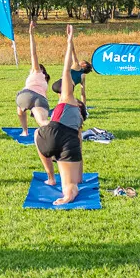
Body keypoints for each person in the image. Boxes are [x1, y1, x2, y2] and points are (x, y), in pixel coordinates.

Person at [35, 25, 87, 205]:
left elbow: (66, 70)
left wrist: (69, 42)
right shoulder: (79, 123)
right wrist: (78, 178)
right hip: (68, 143)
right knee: (71, 185)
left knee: (37, 131)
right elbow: (78, 150)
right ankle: (68, 195)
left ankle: (50, 176)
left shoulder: (67, 99)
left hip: (49, 135)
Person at [15, 22, 52, 139]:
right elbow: (45, 98)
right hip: (40, 100)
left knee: (20, 110)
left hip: (26, 96)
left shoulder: (36, 71)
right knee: (42, 121)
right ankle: (61, 131)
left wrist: (31, 34)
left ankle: (25, 131)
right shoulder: (44, 83)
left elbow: (33, 54)